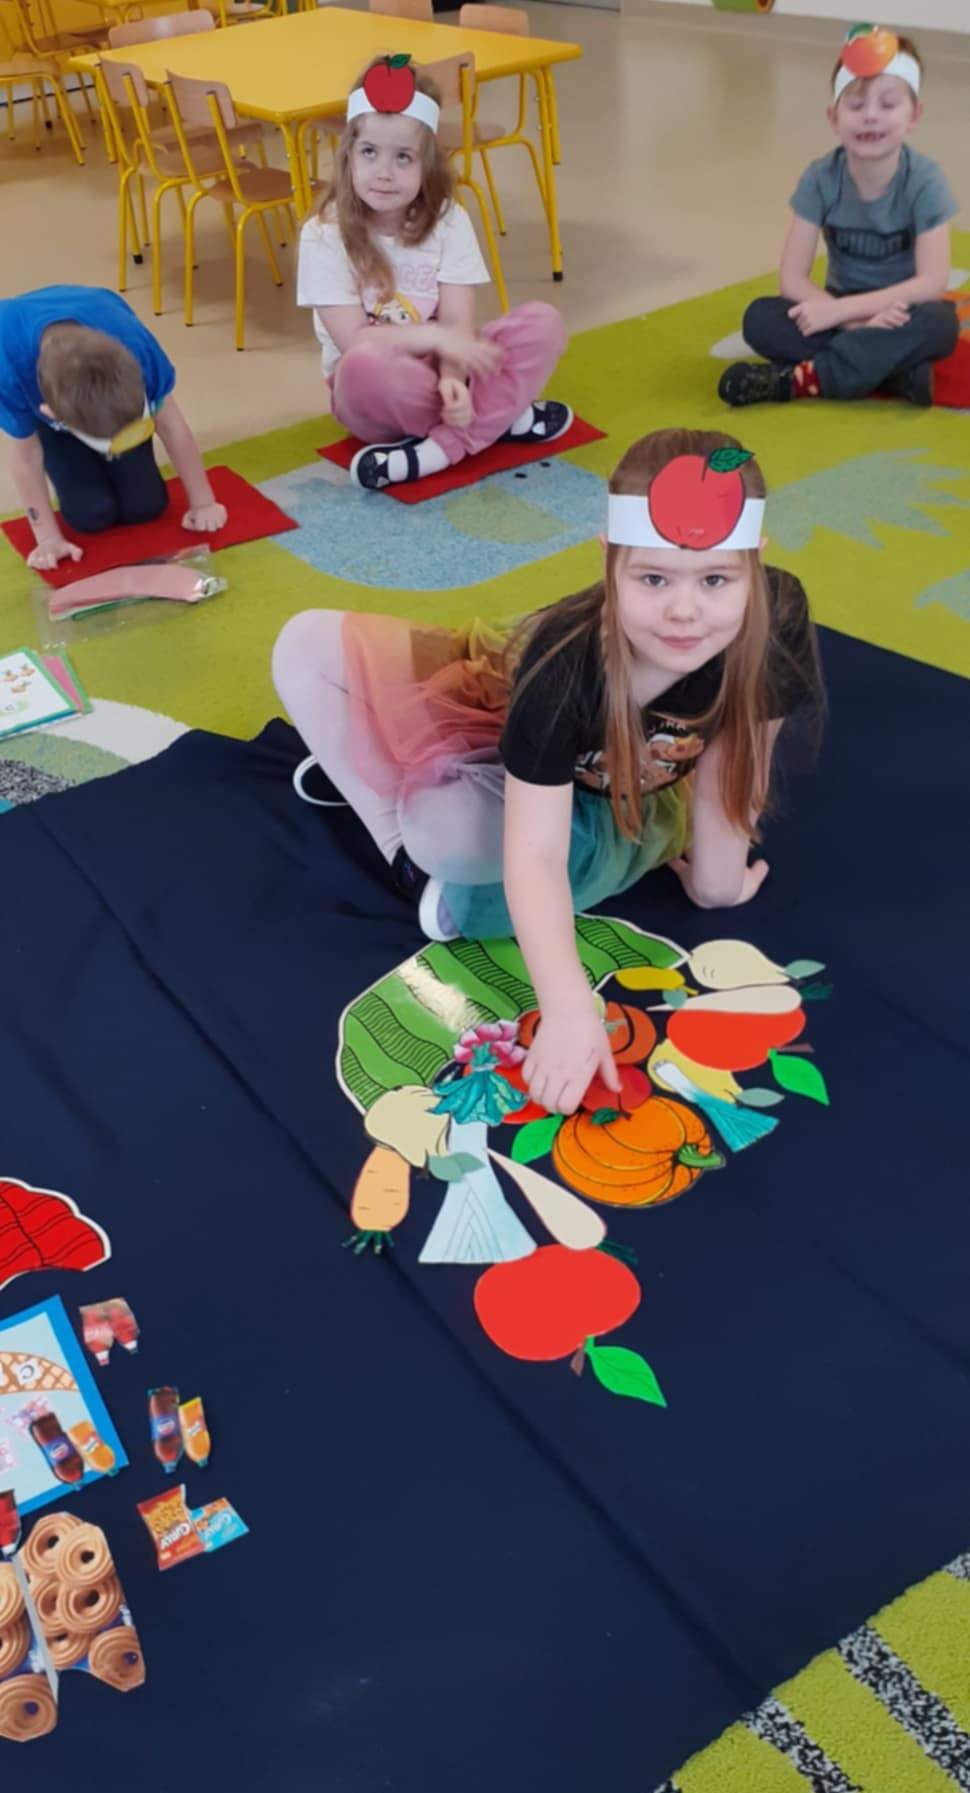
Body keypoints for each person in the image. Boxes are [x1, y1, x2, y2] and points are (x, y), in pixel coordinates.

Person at [272, 428, 822, 1115]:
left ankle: (409, 813)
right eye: (653, 579)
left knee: (448, 834)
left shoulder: (777, 613)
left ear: (755, 564)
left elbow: (743, 753)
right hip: (512, 704)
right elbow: (534, 856)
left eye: (715, 579)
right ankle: (399, 844)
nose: (684, 611)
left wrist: (719, 880)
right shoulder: (563, 665)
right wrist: (567, 1009)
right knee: (303, 646)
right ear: (610, 561)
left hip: (614, 798)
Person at [295, 54, 571, 491]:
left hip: (447, 370)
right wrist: (439, 339)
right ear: (348, 157)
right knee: (362, 364)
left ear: (427, 165)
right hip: (375, 392)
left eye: (403, 157)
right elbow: (355, 341)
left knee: (543, 322)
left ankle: (438, 450)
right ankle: (497, 419)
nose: (384, 174)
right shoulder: (323, 235)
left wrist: (452, 379)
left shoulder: (449, 219)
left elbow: (459, 323)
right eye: (369, 153)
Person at [719, 25, 959, 409]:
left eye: (887, 105)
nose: (870, 117)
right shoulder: (820, 178)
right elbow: (792, 278)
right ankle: (896, 374)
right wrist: (851, 320)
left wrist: (840, 313)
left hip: (902, 311)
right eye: (856, 105)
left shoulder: (925, 180)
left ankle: (799, 381)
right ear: (834, 118)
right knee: (760, 319)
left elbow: (931, 282)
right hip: (836, 307)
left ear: (914, 115)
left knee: (940, 324)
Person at [0, 285, 227, 572]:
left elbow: (172, 425)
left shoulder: (137, 348)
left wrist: (203, 503)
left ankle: (120, 437)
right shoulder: (9, 370)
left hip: (117, 403)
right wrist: (47, 538)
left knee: (145, 507)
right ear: (51, 413)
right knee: (90, 516)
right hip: (55, 421)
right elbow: (26, 457)